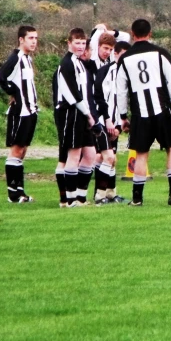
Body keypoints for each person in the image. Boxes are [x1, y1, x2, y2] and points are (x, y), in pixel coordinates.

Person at [116, 19, 171, 207]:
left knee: (141, 154)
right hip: (162, 109)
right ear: (150, 33)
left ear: (132, 33)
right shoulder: (160, 53)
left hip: (140, 113)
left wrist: (123, 117)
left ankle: (137, 199)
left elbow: (121, 91)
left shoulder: (124, 58)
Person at [0, 25, 39, 203]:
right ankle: (13, 194)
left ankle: (20, 191)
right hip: (20, 111)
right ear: (21, 39)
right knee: (16, 150)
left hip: (31, 110)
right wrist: (13, 92)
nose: (34, 41)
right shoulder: (16, 57)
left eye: (35, 38)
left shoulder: (28, 59)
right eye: (30, 38)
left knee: (23, 150)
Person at [56, 28, 97, 207]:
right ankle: (70, 199)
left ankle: (80, 197)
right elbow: (72, 95)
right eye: (77, 43)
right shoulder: (66, 64)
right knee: (73, 155)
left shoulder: (79, 62)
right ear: (69, 43)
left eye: (83, 43)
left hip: (82, 112)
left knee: (90, 155)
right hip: (70, 113)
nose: (80, 46)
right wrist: (88, 115)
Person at [92, 39, 131, 205]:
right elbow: (99, 98)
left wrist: (119, 124)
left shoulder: (128, 74)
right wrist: (107, 121)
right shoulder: (105, 72)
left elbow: (124, 101)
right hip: (102, 121)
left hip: (115, 123)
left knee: (112, 158)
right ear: (116, 54)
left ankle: (111, 193)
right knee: (106, 157)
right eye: (122, 55)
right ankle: (99, 195)